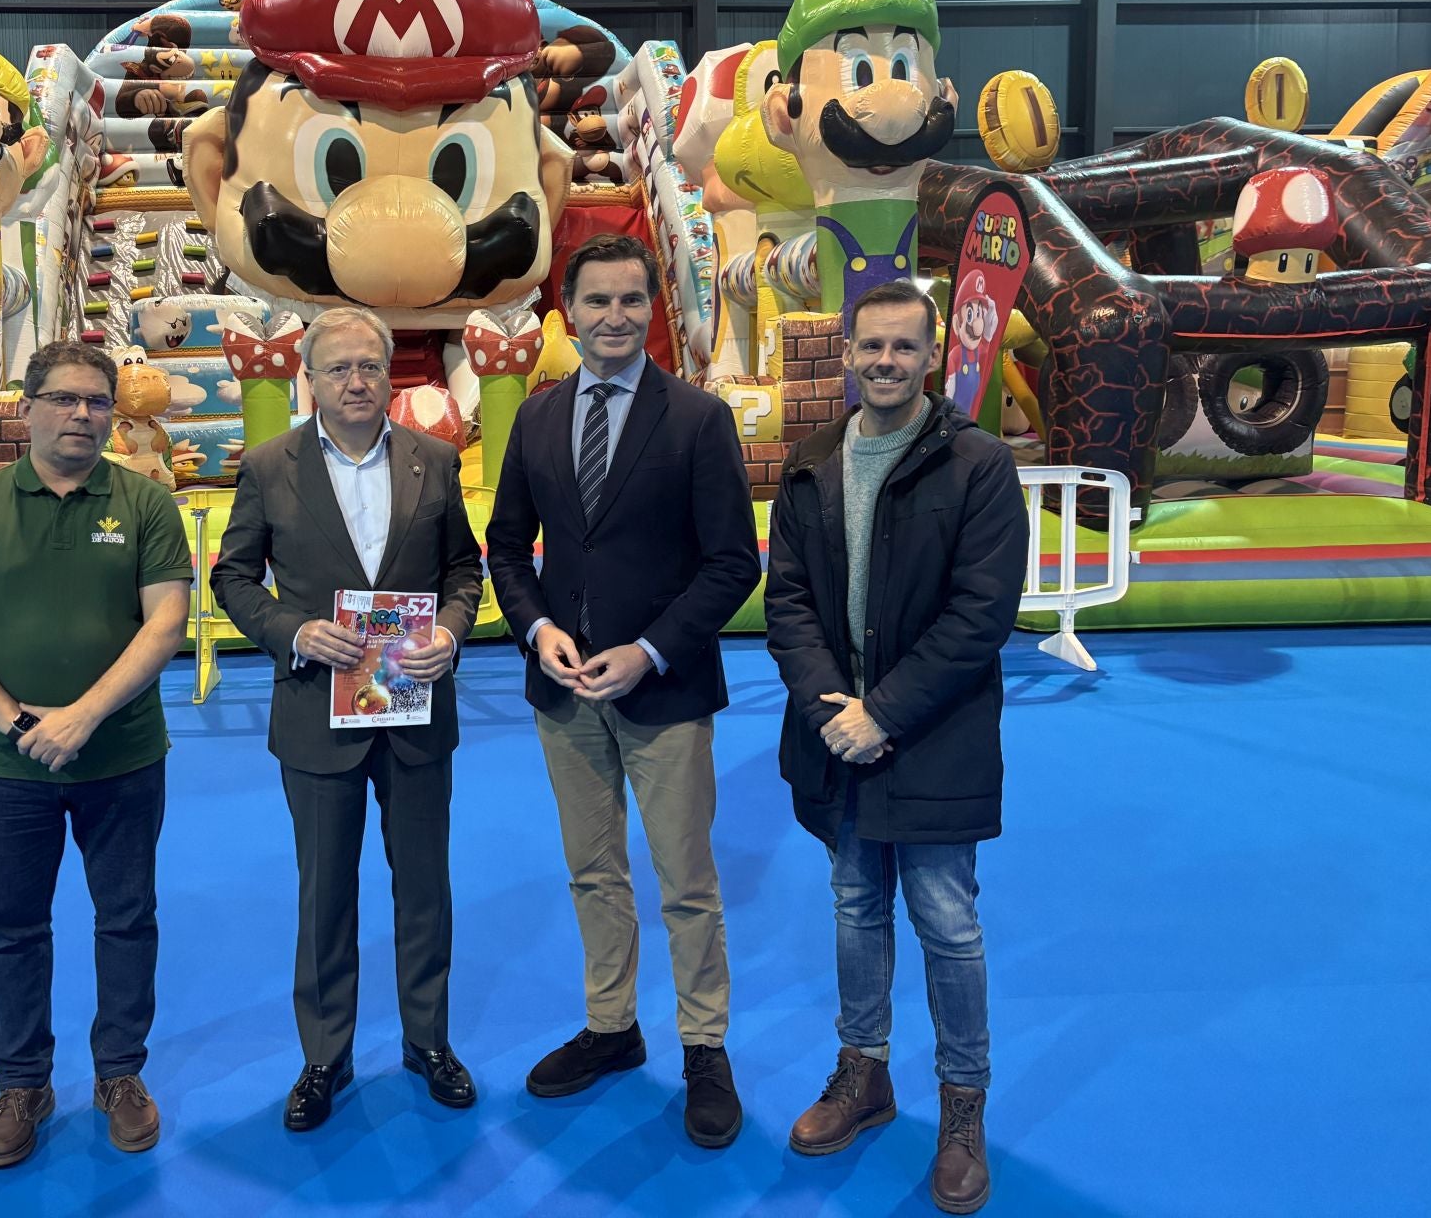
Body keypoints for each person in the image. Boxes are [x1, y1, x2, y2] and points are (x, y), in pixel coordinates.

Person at [486, 232, 761, 1148]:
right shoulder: (535, 418)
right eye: (596, 301)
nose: (614, 317)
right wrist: (538, 629)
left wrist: (650, 650)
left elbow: (732, 565)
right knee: (592, 870)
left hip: (661, 690)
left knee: (687, 879)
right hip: (563, 690)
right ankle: (613, 1026)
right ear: (568, 311)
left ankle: (704, 1047)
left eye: (631, 301)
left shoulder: (697, 419)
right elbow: (504, 550)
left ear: (652, 308)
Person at [763, 279, 1028, 1215]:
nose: (883, 363)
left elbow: (981, 615)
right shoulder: (810, 463)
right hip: (836, 731)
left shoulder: (978, 464)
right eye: (868, 347)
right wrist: (829, 704)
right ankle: (863, 1072)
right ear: (846, 352)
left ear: (930, 356)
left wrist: (886, 713)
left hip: (935, 734)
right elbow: (786, 600)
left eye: (901, 349)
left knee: (946, 921)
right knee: (854, 905)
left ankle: (963, 1105)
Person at [211, 307, 484, 1132]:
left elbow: (463, 572)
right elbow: (232, 578)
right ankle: (324, 1056)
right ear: (311, 377)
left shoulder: (435, 461)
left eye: (370, 365)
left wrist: (449, 630)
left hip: (415, 710)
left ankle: (427, 1041)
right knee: (324, 892)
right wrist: (290, 632)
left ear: (388, 370)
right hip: (315, 717)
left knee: (425, 888)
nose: (358, 381)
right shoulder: (267, 467)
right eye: (339, 369)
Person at [0, 340, 192, 1168]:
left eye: (97, 402)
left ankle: (119, 1074)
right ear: (29, 407)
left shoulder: (146, 504)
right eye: (66, 399)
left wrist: (80, 716)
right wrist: (16, 724)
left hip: (124, 757)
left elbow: (165, 625)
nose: (83, 414)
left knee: (127, 919)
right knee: (13, 927)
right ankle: (22, 1083)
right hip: (5, 768)